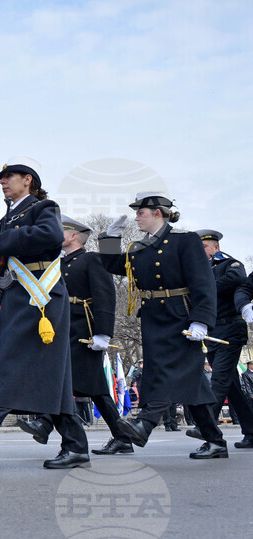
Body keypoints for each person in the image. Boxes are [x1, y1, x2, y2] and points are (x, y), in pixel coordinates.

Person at [0, 157, 90, 469]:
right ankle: (76, 444)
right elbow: (2, 261)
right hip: (18, 296)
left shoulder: (43, 207)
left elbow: (51, 236)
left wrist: (7, 238)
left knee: (11, 364)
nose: (2, 181)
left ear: (28, 180)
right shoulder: (8, 218)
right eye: (1, 177)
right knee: (50, 373)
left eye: (9, 176)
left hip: (41, 298)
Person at [97, 192, 228, 459]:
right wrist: (110, 239)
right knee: (190, 381)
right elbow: (113, 264)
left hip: (180, 316)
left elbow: (203, 282)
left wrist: (201, 320)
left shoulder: (184, 240)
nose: (136, 218)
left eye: (140, 213)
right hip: (153, 317)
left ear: (158, 213)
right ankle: (215, 441)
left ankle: (144, 424)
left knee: (164, 372)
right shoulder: (140, 247)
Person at [17, 216, 133, 455]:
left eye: (61, 231)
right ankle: (123, 437)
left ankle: (45, 422)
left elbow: (105, 296)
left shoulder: (92, 259)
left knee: (67, 379)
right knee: (95, 389)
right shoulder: (57, 264)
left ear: (73, 235)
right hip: (63, 326)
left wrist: (103, 333)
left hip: (84, 330)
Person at [188, 230, 253, 449]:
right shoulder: (199, 271)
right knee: (231, 386)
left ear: (216, 247)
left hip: (231, 328)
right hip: (213, 332)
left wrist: (205, 288)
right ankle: (251, 431)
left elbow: (238, 279)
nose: (201, 252)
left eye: (205, 247)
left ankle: (205, 425)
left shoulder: (229, 264)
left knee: (219, 379)